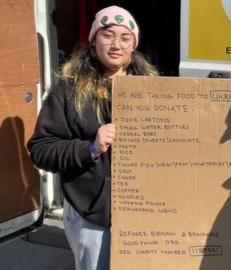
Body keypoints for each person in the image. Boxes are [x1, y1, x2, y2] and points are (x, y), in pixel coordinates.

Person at [27, 6, 158, 270]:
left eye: (125, 38)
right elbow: (40, 149)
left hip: (144, 209)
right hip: (91, 213)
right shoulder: (68, 89)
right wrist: (91, 147)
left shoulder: (152, 89)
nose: (116, 45)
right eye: (107, 35)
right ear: (94, 39)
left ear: (134, 45)